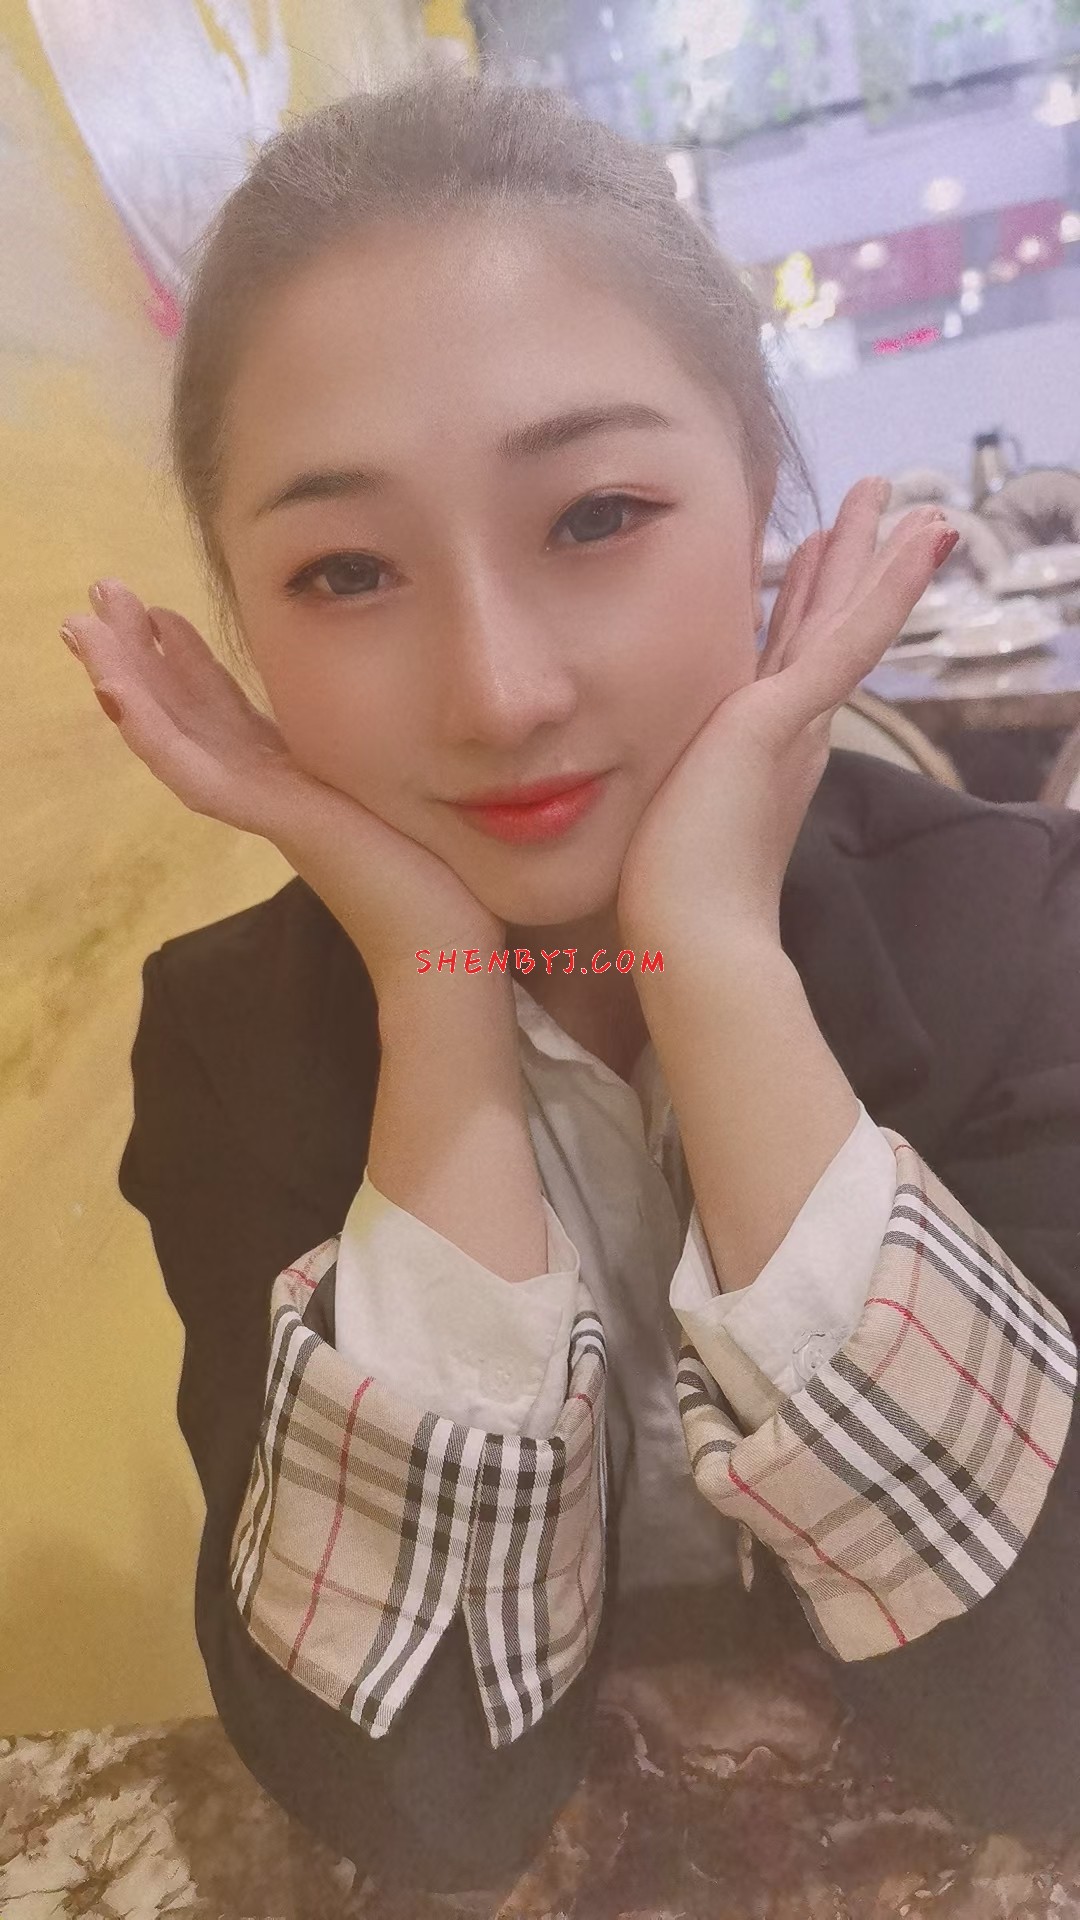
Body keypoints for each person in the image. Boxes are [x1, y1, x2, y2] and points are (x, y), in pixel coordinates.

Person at [60, 68, 1080, 1893]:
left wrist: (715, 962)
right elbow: (414, 1798)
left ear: (762, 500)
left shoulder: (1020, 930)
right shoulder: (229, 1046)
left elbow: (1047, 1713)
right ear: (240, 623)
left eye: (597, 515)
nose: (501, 690)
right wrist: (437, 998)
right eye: (345, 569)